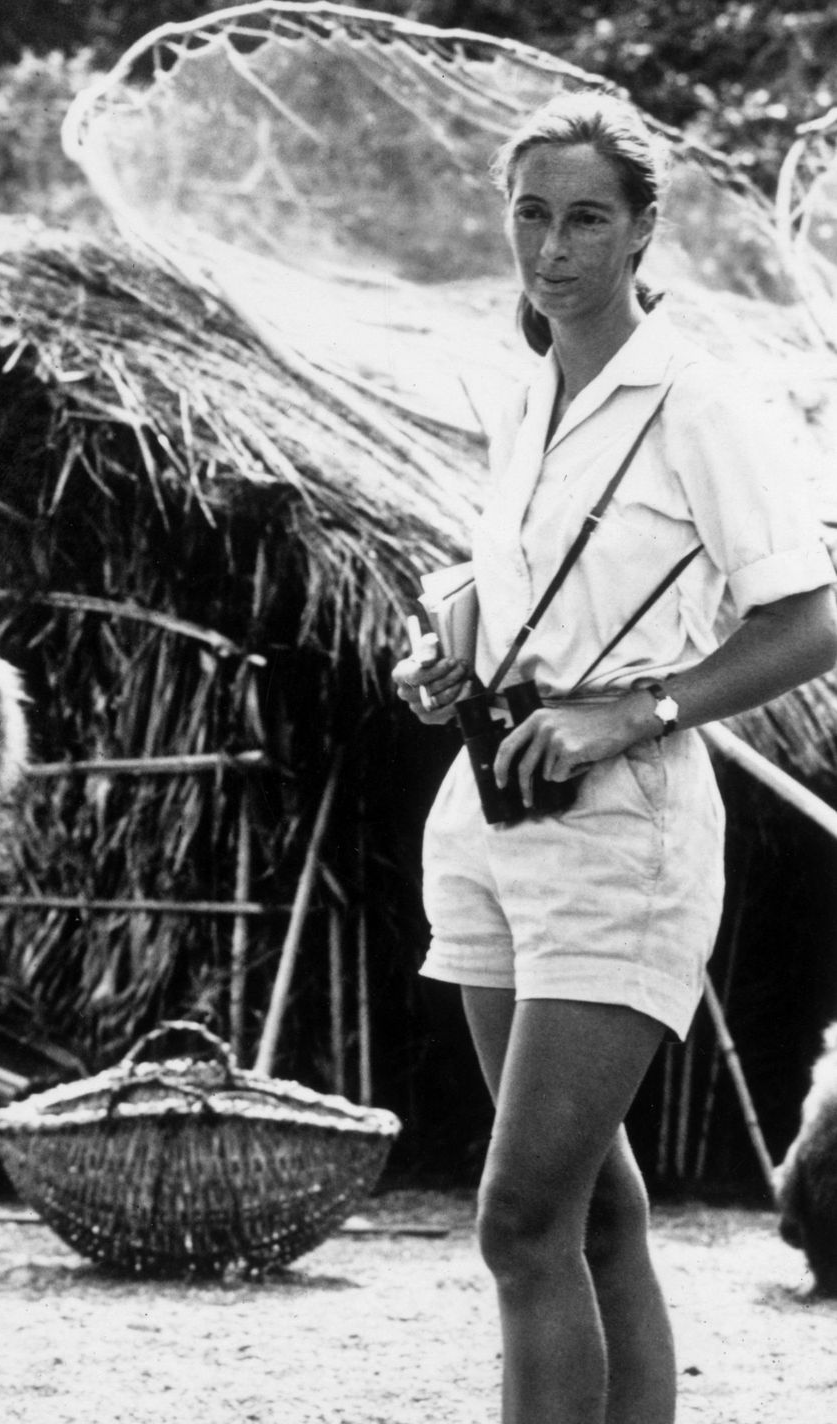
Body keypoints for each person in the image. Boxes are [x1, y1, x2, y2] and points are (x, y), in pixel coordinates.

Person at [392, 91, 837, 1424]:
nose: (554, 248)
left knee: (519, 1217)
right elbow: (520, 591)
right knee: (590, 1210)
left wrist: (636, 710)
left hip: (621, 828)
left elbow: (811, 619)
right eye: (531, 215)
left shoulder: (700, 401)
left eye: (587, 219)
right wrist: (445, 655)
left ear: (645, 230)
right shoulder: (528, 394)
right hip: (492, 812)